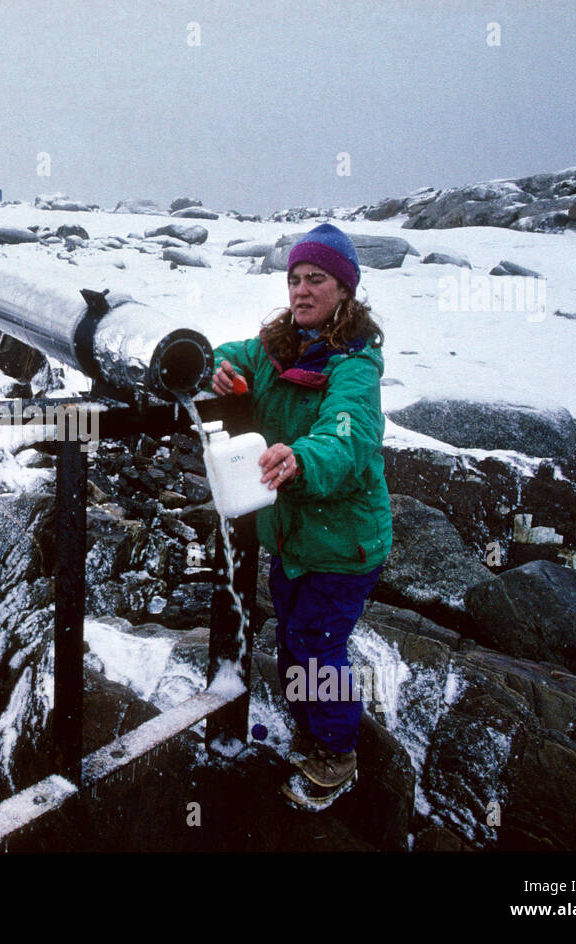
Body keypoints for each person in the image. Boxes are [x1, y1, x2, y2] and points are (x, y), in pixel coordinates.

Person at [210, 222, 392, 809]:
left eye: (317, 279)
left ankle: (336, 756)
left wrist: (300, 458)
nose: (302, 290)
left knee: (314, 647)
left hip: (344, 546)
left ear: (344, 289)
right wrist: (216, 370)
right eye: (294, 279)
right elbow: (228, 356)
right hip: (292, 541)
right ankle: (311, 732)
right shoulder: (275, 347)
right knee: (295, 645)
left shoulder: (355, 367)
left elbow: (349, 436)